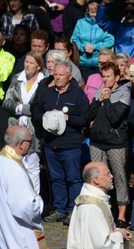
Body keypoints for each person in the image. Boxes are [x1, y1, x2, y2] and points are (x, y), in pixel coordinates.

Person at [33, 61, 90, 224]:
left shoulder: (78, 95)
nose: (57, 77)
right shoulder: (47, 93)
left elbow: (84, 119)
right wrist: (46, 118)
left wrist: (66, 118)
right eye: (55, 74)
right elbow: (36, 110)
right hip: (50, 144)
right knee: (56, 178)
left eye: (61, 75)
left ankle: (74, 210)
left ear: (70, 77)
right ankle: (60, 209)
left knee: (73, 178)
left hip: (70, 145)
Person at [85, 61, 131, 228]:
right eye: (103, 76)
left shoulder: (124, 93)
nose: (105, 79)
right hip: (97, 141)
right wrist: (98, 100)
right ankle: (102, 211)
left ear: (117, 77)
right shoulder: (100, 91)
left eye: (108, 76)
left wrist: (106, 100)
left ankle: (122, 216)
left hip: (116, 142)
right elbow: (88, 116)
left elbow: (114, 118)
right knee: (98, 178)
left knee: (119, 177)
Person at [0, 51, 46, 190]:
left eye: (31, 63)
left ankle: (34, 200)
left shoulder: (44, 82)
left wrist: (22, 107)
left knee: (32, 165)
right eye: (26, 61)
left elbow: (41, 107)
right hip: (16, 127)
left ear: (38, 66)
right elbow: (7, 102)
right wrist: (19, 108)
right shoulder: (16, 79)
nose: (27, 65)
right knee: (16, 164)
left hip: (34, 130)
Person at [71, 0, 115, 80]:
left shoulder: (103, 24)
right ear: (87, 11)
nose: (94, 15)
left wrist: (95, 47)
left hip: (100, 64)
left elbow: (110, 40)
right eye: (92, 12)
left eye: (96, 12)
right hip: (83, 63)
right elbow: (74, 39)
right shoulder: (80, 23)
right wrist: (83, 47)